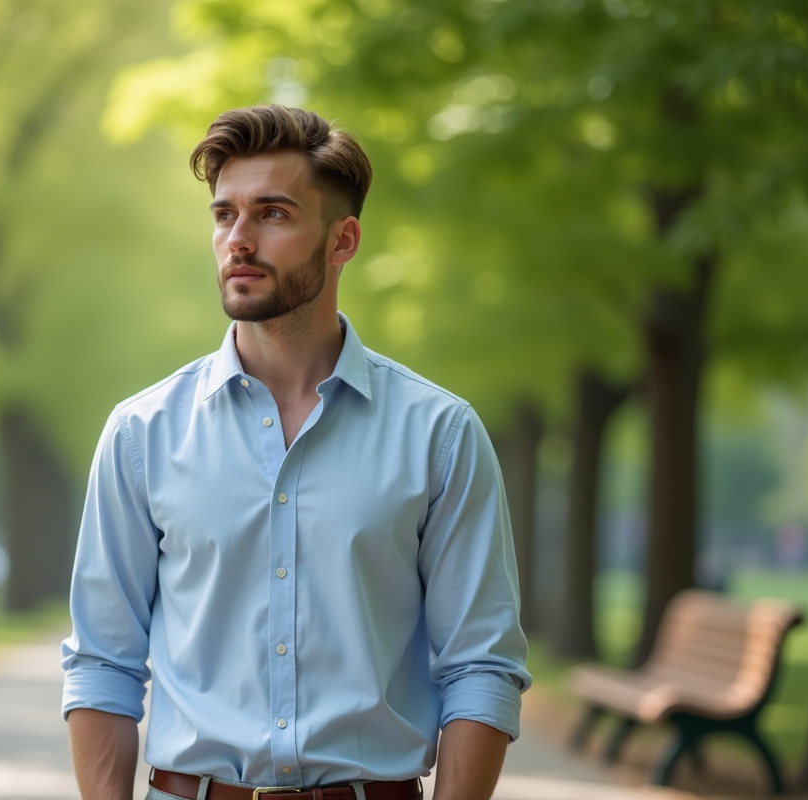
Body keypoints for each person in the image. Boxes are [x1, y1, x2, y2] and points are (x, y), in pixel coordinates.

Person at [62, 105, 530, 800]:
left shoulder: (441, 434)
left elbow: (480, 667)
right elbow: (103, 662)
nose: (238, 240)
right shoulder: (142, 433)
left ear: (343, 241)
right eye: (224, 216)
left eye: (272, 214)